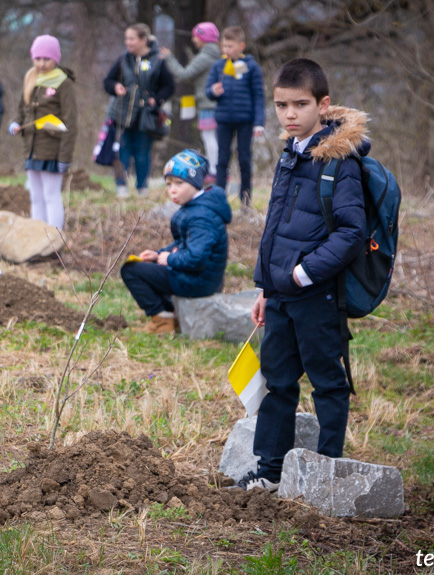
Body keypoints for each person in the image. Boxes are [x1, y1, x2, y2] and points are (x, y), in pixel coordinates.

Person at [241, 58, 367, 492]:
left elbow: (353, 232)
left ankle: (326, 472)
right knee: (277, 381)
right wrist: (264, 286)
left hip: (316, 295)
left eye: (299, 104)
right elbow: (274, 226)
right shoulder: (289, 156)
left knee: (328, 383)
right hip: (278, 295)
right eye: (280, 106)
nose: (289, 115)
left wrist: (303, 273)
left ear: (323, 104)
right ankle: (270, 471)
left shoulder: (340, 161)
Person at [121, 149, 232, 334]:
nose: (172, 189)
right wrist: (158, 254)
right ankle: (171, 314)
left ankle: (162, 320)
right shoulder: (195, 207)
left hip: (199, 282)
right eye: (169, 184)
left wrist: (169, 259)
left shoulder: (202, 217)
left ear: (195, 182)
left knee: (130, 271)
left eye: (179, 183)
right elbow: (183, 243)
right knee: (144, 267)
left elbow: (196, 258)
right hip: (198, 277)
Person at [8, 35, 78, 230]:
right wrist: (15, 122)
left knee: (51, 195)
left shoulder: (64, 83)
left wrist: (65, 157)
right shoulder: (31, 78)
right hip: (31, 150)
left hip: (53, 151)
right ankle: (37, 235)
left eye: (46, 59)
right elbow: (22, 109)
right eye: (37, 59)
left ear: (56, 58)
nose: (41, 63)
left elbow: (71, 123)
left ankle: (54, 237)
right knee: (35, 196)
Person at [103, 23, 176, 198]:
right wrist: (116, 87)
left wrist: (156, 99)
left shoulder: (158, 60)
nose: (128, 42)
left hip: (146, 116)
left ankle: (142, 188)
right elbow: (108, 81)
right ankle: (121, 186)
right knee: (122, 151)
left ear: (143, 40)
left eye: (132, 38)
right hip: (123, 114)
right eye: (126, 38)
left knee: (142, 153)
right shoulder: (123, 59)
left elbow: (169, 86)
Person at [205, 26, 265, 207]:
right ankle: (219, 201)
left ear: (241, 46)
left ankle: (246, 203)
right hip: (223, 120)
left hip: (245, 122)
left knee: (244, 161)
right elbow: (208, 91)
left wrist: (259, 123)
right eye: (224, 46)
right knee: (221, 161)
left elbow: (259, 96)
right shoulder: (218, 66)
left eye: (230, 46)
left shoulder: (251, 67)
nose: (226, 50)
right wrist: (213, 91)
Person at [159, 22, 222, 183]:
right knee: (215, 137)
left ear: (204, 38)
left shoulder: (204, 57)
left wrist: (169, 58)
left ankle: (214, 171)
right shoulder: (217, 55)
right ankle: (218, 168)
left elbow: (184, 74)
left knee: (209, 137)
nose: (194, 40)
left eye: (196, 36)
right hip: (216, 103)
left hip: (208, 103)